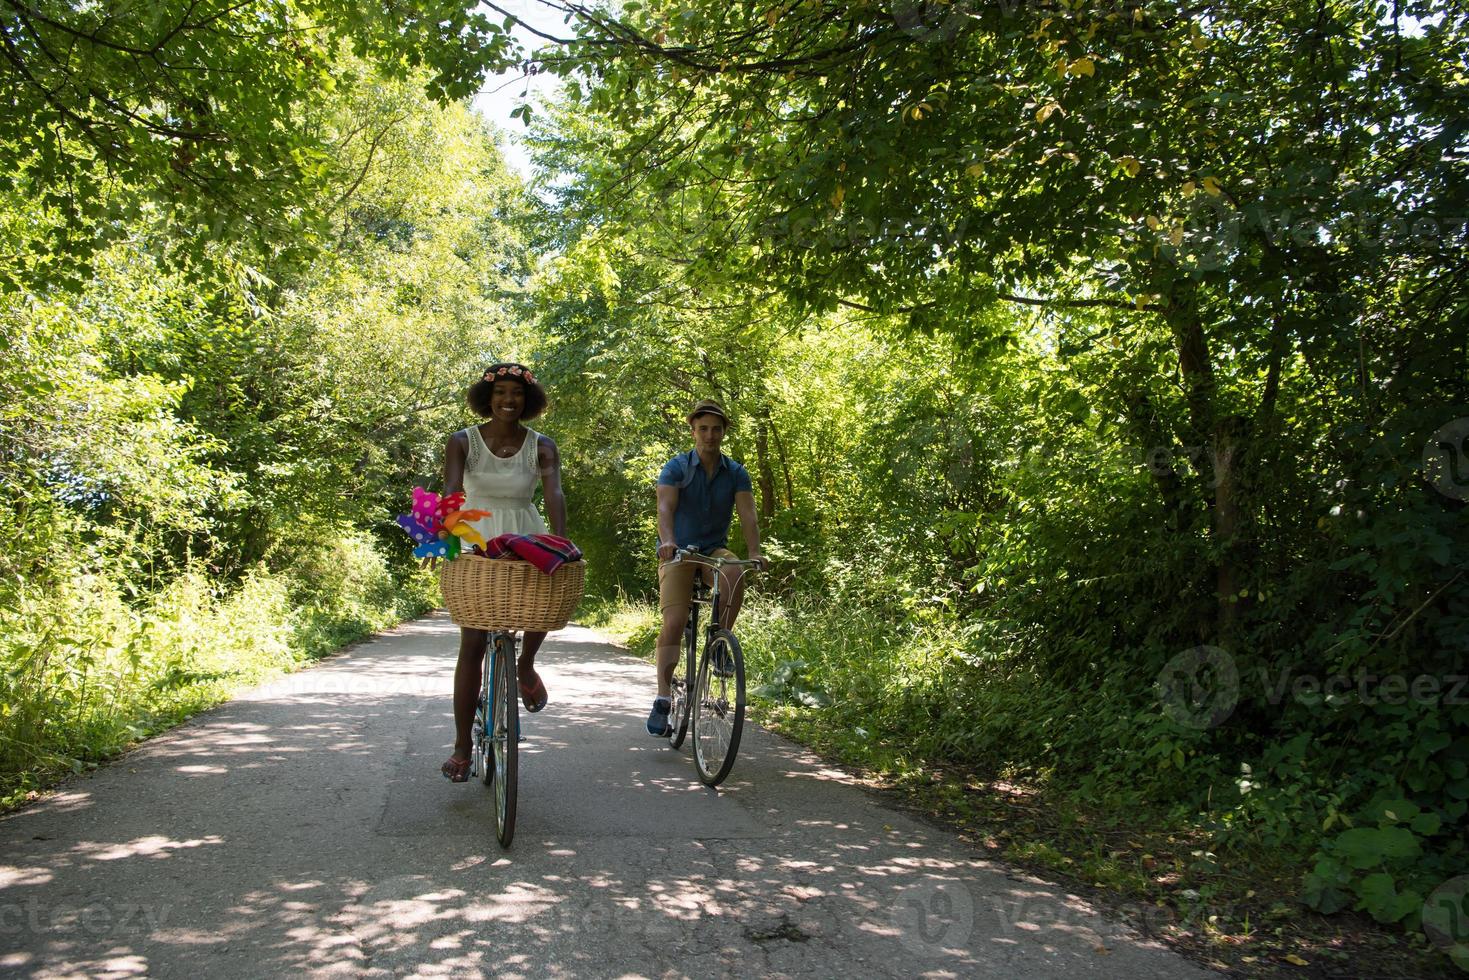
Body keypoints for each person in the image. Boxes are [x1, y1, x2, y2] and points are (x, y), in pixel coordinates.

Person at [439, 362, 567, 782]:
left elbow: (554, 494)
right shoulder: (462, 442)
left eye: (516, 393)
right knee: (472, 641)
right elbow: (453, 493)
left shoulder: (542, 446)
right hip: (476, 535)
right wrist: (447, 536)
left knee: (541, 604)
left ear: (527, 401)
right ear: (487, 399)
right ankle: (461, 745)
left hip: (525, 533)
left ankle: (525, 664)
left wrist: (560, 543)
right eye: (500, 393)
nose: (508, 400)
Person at [647, 398, 766, 737]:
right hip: (680, 552)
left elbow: (748, 516)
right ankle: (663, 697)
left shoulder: (736, 473)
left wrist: (755, 552)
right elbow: (665, 510)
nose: (710, 436)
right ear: (693, 430)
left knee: (734, 570)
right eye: (703, 429)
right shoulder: (676, 468)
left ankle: (718, 642)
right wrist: (668, 542)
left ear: (724, 432)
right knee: (673, 620)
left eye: (716, 429)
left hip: (714, 549)